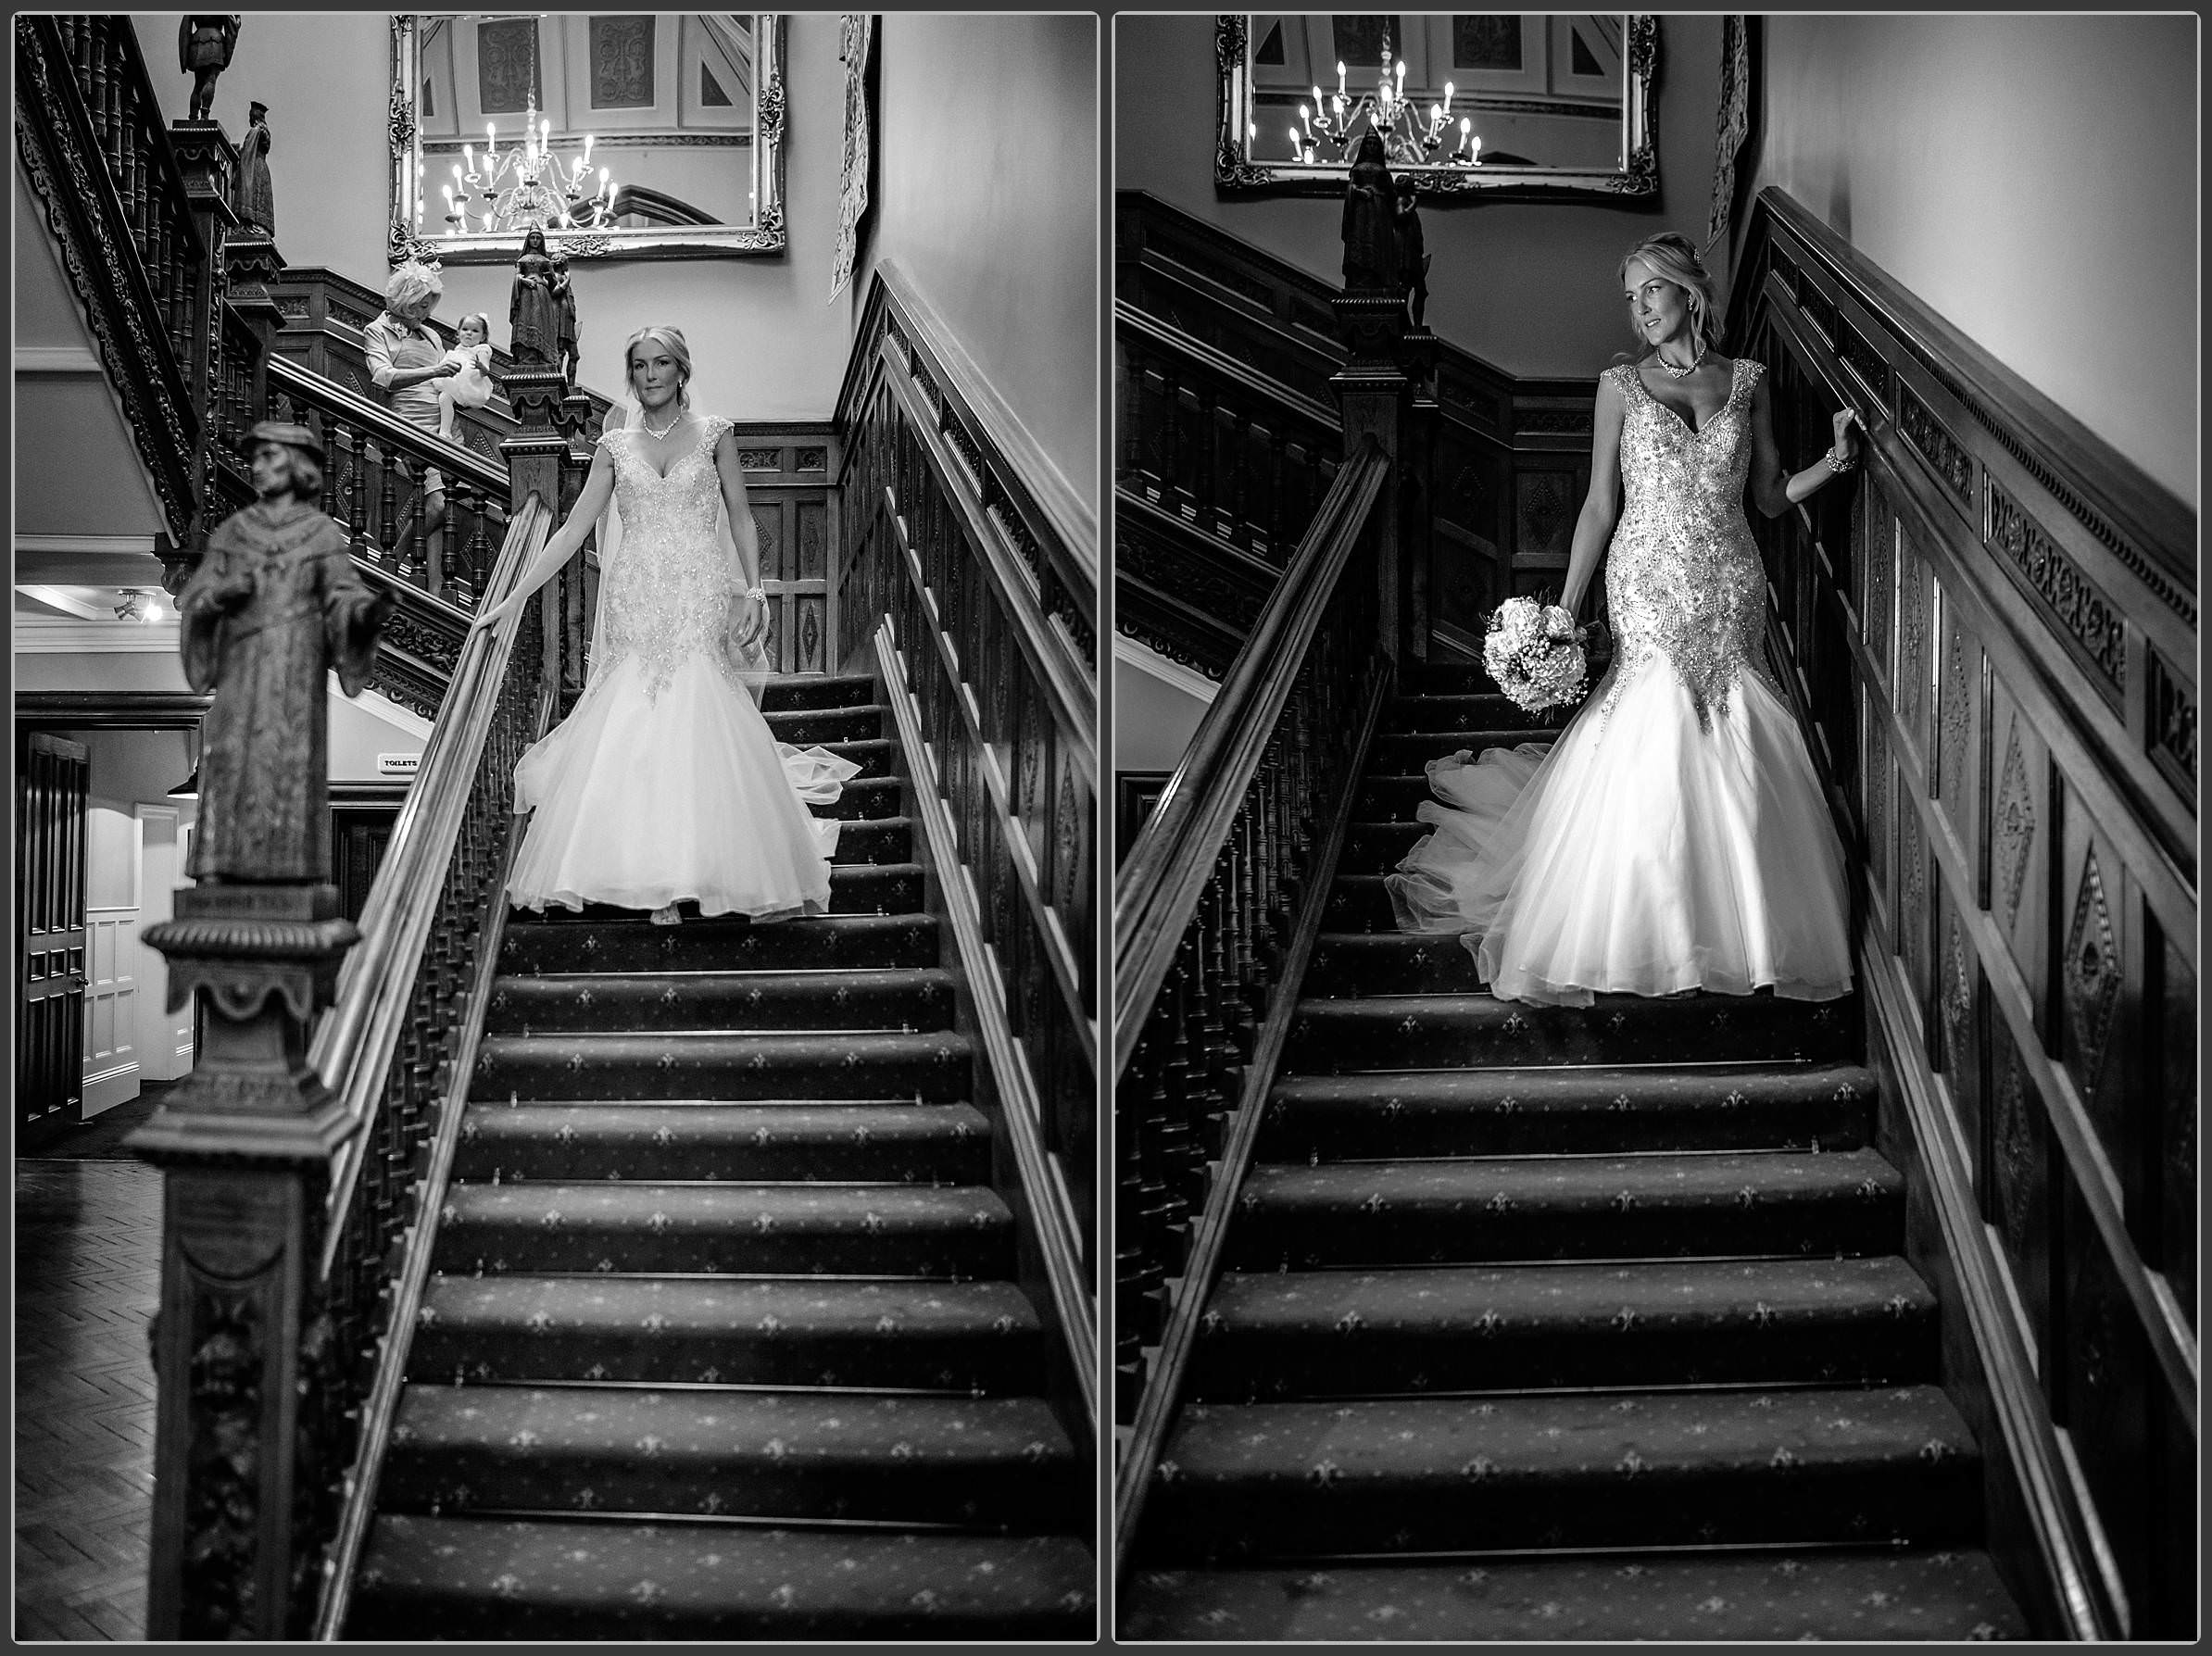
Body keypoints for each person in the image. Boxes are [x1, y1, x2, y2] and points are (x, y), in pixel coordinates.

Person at [1386, 232, 1863, 1006]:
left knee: (1734, 720)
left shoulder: (1748, 381)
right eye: (1632, 296)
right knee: (1657, 716)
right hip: (1646, 579)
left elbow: (1771, 497)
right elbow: (1601, 503)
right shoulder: (1621, 386)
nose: (1641, 308)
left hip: (1731, 580)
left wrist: (1837, 460)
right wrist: (1567, 610)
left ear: (1688, 294)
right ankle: (1652, 932)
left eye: (1652, 290)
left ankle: (1744, 930)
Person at [470, 326, 856, 924]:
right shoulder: (614, 449)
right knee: (638, 714)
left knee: (695, 706)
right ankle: (652, 876)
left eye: (661, 364)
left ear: (681, 371)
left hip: (697, 590)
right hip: (638, 592)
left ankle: (691, 870)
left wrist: (755, 588)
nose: (650, 374)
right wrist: (514, 598)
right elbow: (572, 532)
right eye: (640, 365)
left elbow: (743, 518)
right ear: (632, 375)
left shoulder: (715, 436)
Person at [176, 422, 391, 883]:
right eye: (255, 458)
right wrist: (221, 594)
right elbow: (197, 599)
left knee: (288, 758)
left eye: (270, 457)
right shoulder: (234, 532)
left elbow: (341, 597)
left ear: (296, 466)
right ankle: (222, 863)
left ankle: (287, 868)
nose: (258, 467)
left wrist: (366, 613)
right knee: (232, 754)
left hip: (296, 666)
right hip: (242, 665)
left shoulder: (319, 534)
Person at [362, 261, 460, 561]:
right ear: (405, 301)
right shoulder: (377, 330)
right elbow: (383, 376)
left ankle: (429, 588)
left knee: (446, 508)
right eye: (421, 306)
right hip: (410, 424)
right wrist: (436, 370)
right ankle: (390, 560)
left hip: (444, 426)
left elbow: (445, 377)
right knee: (438, 505)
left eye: (428, 307)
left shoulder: (431, 335)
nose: (426, 313)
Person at [434, 312, 496, 439]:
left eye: (475, 331)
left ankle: (445, 431)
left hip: (470, 383)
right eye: (465, 329)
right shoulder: (458, 349)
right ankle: (445, 431)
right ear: (458, 333)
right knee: (444, 398)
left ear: (483, 336)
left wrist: (481, 367)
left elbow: (486, 371)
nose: (469, 333)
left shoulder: (482, 349)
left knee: (445, 398)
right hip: (455, 380)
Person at [509, 229, 562, 369]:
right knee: (526, 320)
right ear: (528, 240)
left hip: (541, 293)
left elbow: (554, 284)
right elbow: (517, 275)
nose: (535, 241)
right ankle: (525, 356)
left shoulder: (545, 260)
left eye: (538, 238)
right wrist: (524, 281)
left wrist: (549, 277)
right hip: (526, 292)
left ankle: (542, 355)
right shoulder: (522, 260)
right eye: (532, 237)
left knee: (540, 322)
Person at [233, 100, 273, 236]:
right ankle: (258, 225)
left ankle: (251, 224)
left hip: (253, 169)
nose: (249, 119)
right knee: (260, 198)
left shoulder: (256, 131)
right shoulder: (263, 131)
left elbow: (247, 152)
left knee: (254, 196)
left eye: (250, 116)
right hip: (261, 168)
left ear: (254, 117)